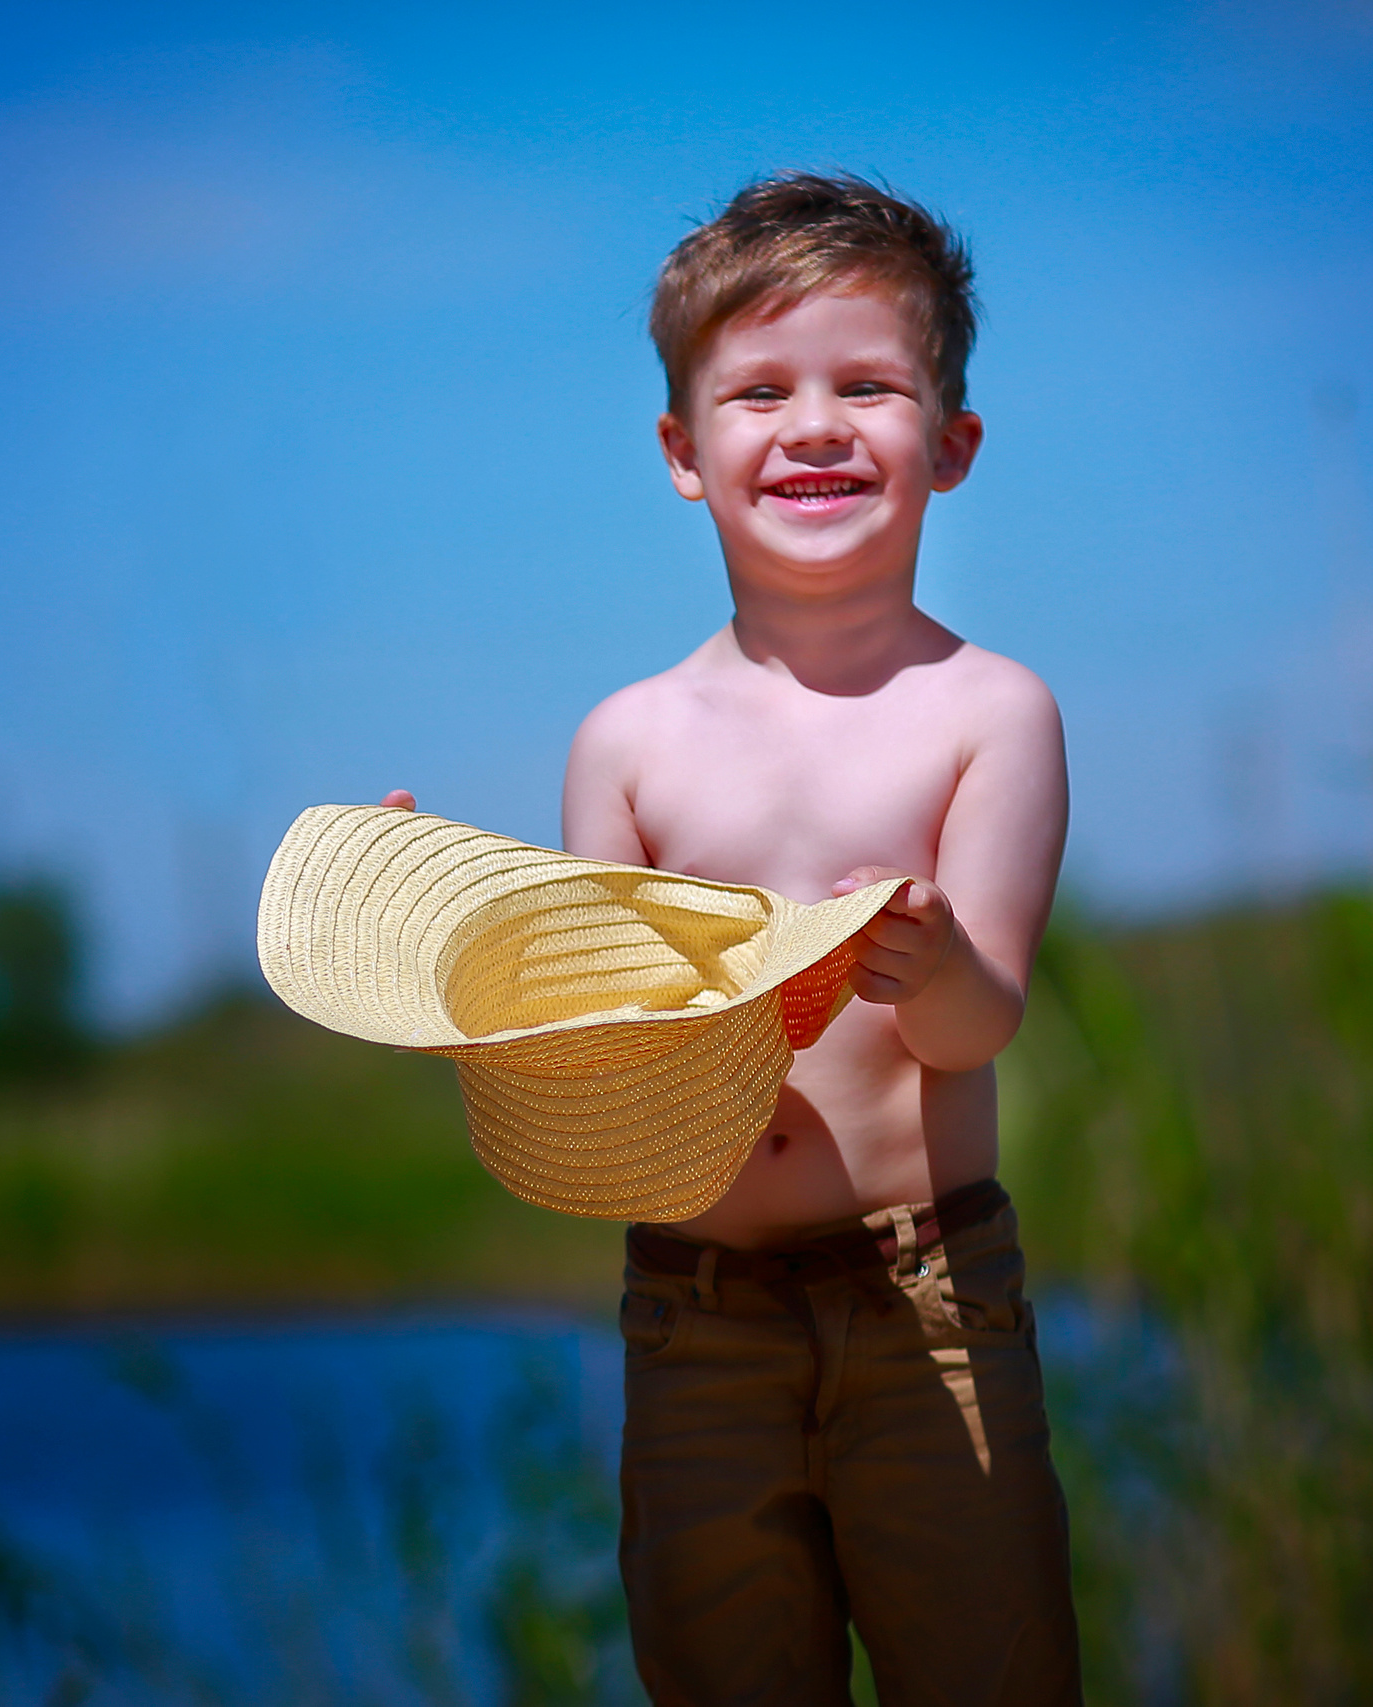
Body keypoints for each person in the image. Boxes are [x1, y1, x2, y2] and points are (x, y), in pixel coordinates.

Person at [388, 171, 1078, 1704]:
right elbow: (603, 1073)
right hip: (698, 1316)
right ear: (683, 452)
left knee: (990, 1667)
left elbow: (978, 1030)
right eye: (758, 389)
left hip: (930, 1302)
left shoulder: (989, 714)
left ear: (950, 445)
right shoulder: (629, 743)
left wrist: (938, 965)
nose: (814, 424)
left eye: (869, 386)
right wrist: (449, 948)